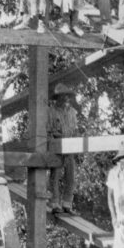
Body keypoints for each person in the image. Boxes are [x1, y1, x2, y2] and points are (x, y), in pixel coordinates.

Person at [48, 83, 78, 213]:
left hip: (70, 147)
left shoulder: (72, 112)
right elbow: (48, 132)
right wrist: (54, 141)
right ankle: (55, 203)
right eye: (61, 96)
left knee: (70, 176)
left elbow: (75, 131)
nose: (65, 99)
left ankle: (67, 204)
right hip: (57, 147)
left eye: (66, 96)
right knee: (55, 175)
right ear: (57, 98)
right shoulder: (51, 111)